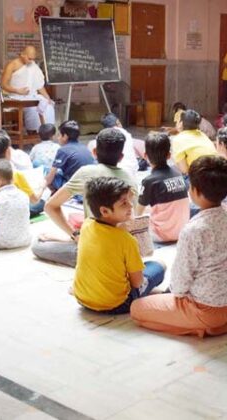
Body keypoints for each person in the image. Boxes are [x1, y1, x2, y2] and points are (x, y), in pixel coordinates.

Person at [130, 156, 227, 336]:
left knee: (137, 310)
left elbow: (179, 286)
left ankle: (208, 328)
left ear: (194, 191)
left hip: (205, 311)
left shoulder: (193, 230)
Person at [32, 128, 139, 268]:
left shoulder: (87, 173)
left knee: (38, 245)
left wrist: (75, 235)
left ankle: (72, 241)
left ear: (94, 152)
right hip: (123, 249)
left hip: (92, 251)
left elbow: (50, 206)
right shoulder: (130, 179)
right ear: (121, 157)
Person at [72, 177, 165, 314]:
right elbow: (137, 282)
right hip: (117, 304)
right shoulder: (126, 240)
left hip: (82, 299)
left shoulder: (87, 224)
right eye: (124, 204)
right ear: (104, 211)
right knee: (160, 265)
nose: (131, 206)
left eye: (129, 200)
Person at [139, 132, 190, 243]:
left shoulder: (149, 181)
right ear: (169, 155)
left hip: (160, 235)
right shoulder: (178, 173)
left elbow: (138, 212)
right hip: (182, 232)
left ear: (145, 155)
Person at [1, 45, 55, 133]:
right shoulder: (12, 64)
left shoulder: (33, 65)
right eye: (29, 59)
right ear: (22, 54)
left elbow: (39, 85)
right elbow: (3, 84)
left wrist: (47, 97)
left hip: (31, 96)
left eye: (33, 59)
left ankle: (46, 134)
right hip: (16, 97)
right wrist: (17, 90)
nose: (31, 61)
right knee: (33, 109)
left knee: (48, 106)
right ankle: (32, 131)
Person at [88, 113, 141, 180]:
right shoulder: (127, 134)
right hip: (131, 173)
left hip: (112, 174)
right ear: (118, 122)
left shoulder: (101, 136)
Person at [46, 120, 94, 193]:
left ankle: (53, 195)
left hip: (74, 188)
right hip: (89, 186)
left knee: (46, 170)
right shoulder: (84, 147)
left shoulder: (63, 150)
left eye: (59, 135)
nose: (58, 138)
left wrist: (40, 187)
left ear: (65, 136)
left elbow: (50, 177)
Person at [171, 109, 218, 174]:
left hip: (199, 176)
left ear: (181, 123)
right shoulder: (202, 134)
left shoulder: (178, 139)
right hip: (215, 172)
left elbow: (184, 170)